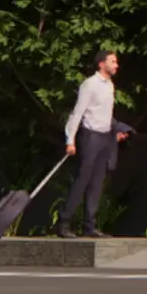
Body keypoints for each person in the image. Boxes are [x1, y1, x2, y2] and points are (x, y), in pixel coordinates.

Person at [59, 50, 132, 239]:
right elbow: (78, 112)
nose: (116, 65)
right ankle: (65, 223)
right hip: (90, 137)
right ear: (101, 64)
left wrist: (115, 131)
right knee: (83, 179)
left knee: (97, 182)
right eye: (113, 62)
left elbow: (105, 114)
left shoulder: (110, 86)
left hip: (104, 137)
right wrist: (70, 140)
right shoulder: (90, 85)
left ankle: (89, 226)